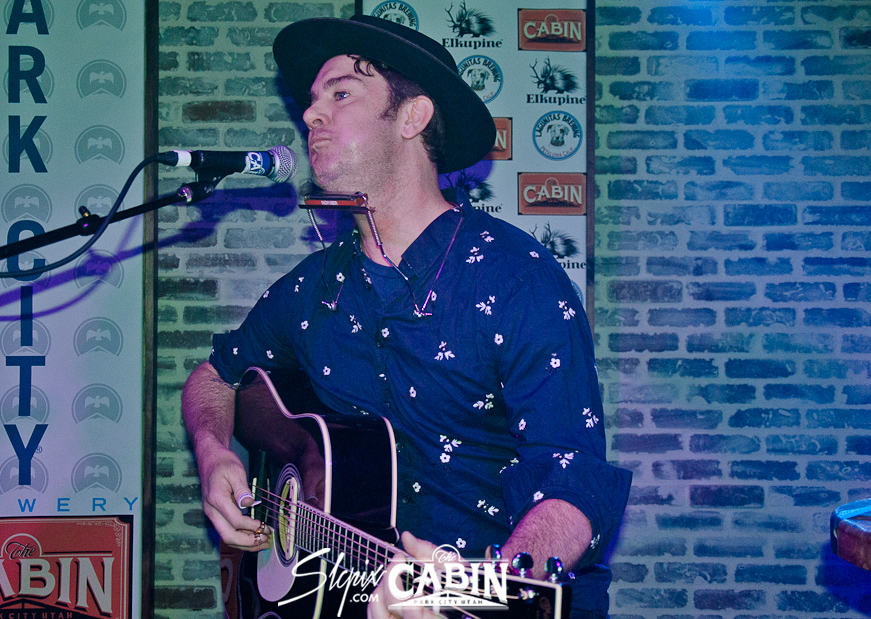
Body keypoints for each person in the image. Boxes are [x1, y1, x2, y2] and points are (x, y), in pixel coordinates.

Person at [181, 14, 632, 619]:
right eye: (312, 101)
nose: (312, 114)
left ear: (412, 117)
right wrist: (215, 452)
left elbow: (571, 481)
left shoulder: (516, 279)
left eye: (341, 94)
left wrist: (486, 588)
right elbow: (215, 375)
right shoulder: (313, 288)